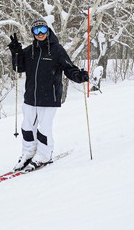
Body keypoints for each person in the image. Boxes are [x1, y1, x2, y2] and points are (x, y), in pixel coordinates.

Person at [7, 19, 88, 171]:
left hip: (49, 97)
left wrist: (79, 76)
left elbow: (68, 68)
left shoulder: (56, 50)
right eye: (36, 31)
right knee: (27, 127)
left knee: (44, 128)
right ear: (33, 33)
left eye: (43, 30)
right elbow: (19, 67)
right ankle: (28, 152)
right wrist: (16, 52)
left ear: (48, 30)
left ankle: (44, 155)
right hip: (31, 96)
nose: (40, 34)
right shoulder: (30, 50)